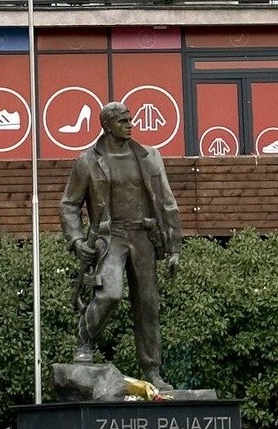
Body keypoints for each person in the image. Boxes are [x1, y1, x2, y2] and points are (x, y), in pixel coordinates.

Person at [60, 101, 182, 391]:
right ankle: (84, 342)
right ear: (107, 125)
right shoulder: (88, 161)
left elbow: (167, 203)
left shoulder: (150, 157)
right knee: (110, 294)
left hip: (143, 236)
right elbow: (69, 205)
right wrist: (77, 241)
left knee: (148, 306)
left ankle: (152, 371)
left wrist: (174, 248)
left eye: (130, 120)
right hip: (109, 237)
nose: (130, 125)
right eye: (123, 121)